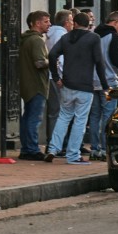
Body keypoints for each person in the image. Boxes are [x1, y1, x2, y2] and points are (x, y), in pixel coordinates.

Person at [44, 12, 111, 166]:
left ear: (74, 23)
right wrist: (105, 85)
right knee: (80, 120)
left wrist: (56, 77)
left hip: (67, 84)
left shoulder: (66, 37)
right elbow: (99, 62)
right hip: (85, 86)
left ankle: (53, 149)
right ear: (88, 24)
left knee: (63, 117)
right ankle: (73, 154)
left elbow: (53, 55)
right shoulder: (93, 38)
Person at [89, 11, 118, 161]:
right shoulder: (114, 37)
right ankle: (106, 148)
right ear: (115, 22)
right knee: (109, 115)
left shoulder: (93, 35)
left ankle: (94, 149)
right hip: (109, 82)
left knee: (94, 116)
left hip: (92, 82)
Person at [17, 11, 52, 160]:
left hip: (27, 83)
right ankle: (31, 149)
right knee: (34, 118)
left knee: (27, 117)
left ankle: (26, 148)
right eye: (46, 21)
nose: (49, 24)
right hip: (37, 84)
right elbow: (39, 62)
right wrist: (52, 61)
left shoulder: (25, 39)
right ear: (37, 23)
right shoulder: (36, 40)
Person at [44, 9, 73, 155]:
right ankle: (56, 144)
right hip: (55, 78)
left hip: (51, 76)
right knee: (58, 112)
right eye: (72, 21)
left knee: (55, 111)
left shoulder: (53, 34)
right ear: (66, 22)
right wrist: (60, 77)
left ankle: (55, 143)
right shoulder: (61, 35)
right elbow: (59, 58)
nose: (73, 24)